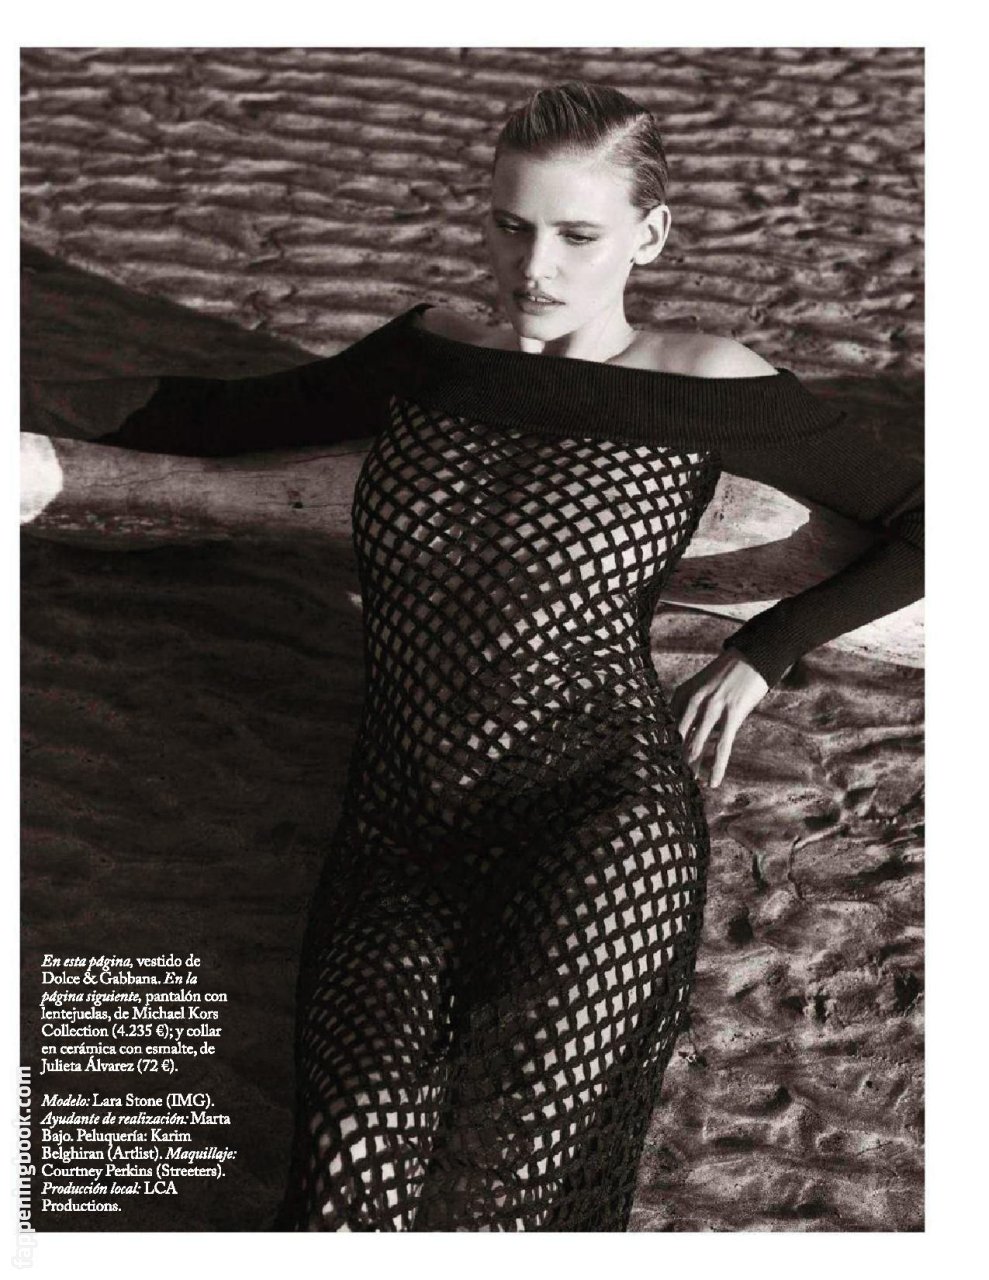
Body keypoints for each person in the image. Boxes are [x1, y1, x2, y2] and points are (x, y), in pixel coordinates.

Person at [22, 81, 923, 1231]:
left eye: (576, 234)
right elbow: (220, 414)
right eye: (508, 224)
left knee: (505, 1189)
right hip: (399, 825)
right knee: (346, 1189)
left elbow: (927, 517)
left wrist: (765, 647)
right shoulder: (434, 350)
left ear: (648, 234)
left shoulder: (706, 381)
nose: (532, 265)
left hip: (598, 809)